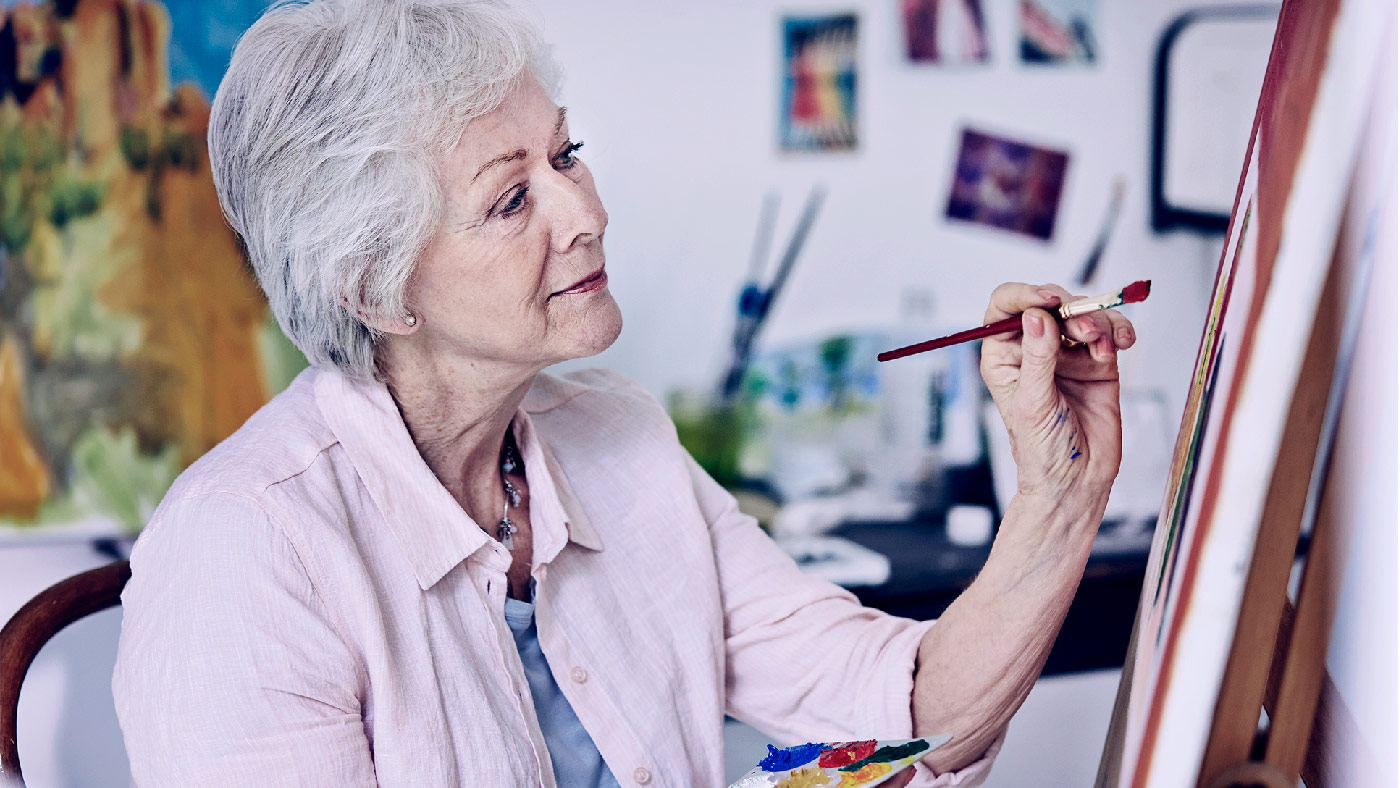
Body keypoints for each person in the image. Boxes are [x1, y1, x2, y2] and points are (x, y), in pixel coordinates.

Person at [112, 1, 1137, 786]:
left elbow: (912, 710)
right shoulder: (243, 554)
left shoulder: (618, 437)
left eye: (565, 154)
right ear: (374, 289)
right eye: (511, 197)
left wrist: (1059, 493)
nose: (586, 211)